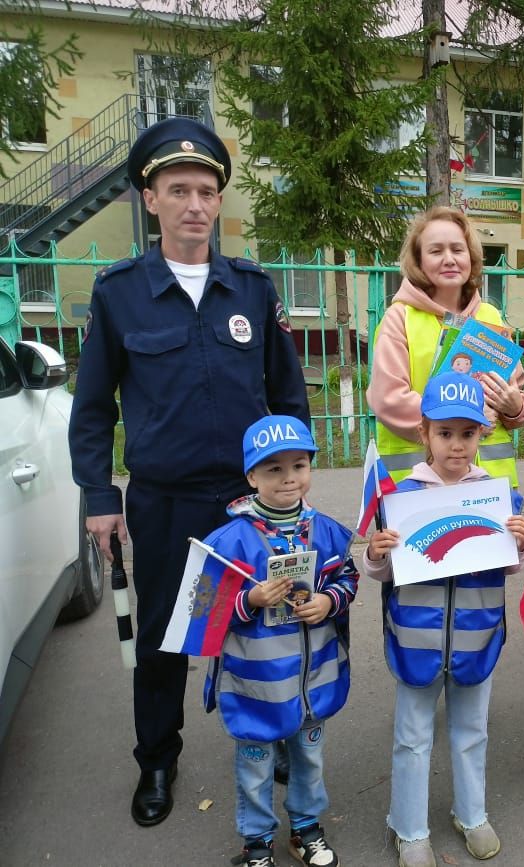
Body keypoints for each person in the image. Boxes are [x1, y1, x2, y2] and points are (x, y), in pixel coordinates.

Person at [68, 117, 309, 827]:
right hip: (165, 503)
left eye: (207, 190)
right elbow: (91, 409)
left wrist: (293, 476)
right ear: (151, 199)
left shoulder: (252, 290)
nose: (196, 204)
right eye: (179, 190)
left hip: (250, 504)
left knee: (266, 623)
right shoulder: (120, 294)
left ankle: (279, 736)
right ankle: (158, 758)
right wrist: (98, 495)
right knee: (168, 637)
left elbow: (288, 395)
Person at [362, 372, 524, 867]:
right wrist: (376, 553)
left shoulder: (499, 497)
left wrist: (517, 541)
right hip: (416, 641)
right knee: (412, 736)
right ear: (425, 435)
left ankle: (471, 814)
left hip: (477, 638)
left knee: (472, 730)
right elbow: (382, 571)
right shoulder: (402, 498)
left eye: (468, 433)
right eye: (445, 433)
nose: (456, 446)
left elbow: (505, 565)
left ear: (483, 434)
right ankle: (409, 827)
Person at [203, 415, 357, 867]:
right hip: (255, 688)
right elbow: (205, 614)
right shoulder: (227, 542)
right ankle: (256, 842)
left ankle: (305, 830)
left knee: (308, 761)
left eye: (299, 465)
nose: (289, 478)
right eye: (273, 469)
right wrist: (248, 599)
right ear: (251, 476)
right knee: (255, 768)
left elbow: (346, 579)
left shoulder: (326, 531)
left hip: (312, 682)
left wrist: (330, 601)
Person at [367, 206, 524, 486]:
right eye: (435, 251)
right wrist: (463, 419)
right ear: (418, 261)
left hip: (489, 486)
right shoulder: (400, 317)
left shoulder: (490, 317)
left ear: (471, 257)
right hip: (419, 485)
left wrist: (515, 408)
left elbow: (514, 396)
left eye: (457, 249)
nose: (449, 259)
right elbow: (389, 400)